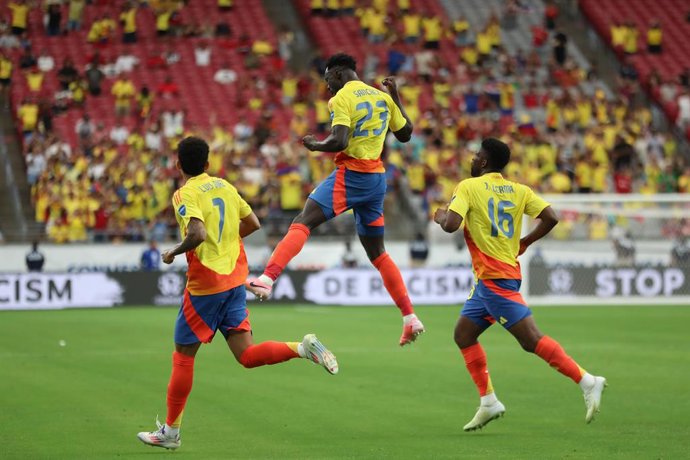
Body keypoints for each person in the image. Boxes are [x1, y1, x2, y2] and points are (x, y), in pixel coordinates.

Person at [137, 137, 338, 450]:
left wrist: (174, 252)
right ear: (207, 164)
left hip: (205, 287)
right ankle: (301, 347)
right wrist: (227, 244)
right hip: (233, 282)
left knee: (183, 357)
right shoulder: (225, 186)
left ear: (177, 165)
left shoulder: (185, 192)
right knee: (245, 355)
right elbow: (253, 223)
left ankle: (171, 433)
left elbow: (198, 233)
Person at [245, 53, 426, 346]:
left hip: (352, 175)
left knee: (302, 221)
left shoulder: (342, 98)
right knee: (378, 253)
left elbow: (339, 140)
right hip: (377, 180)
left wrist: (315, 145)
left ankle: (266, 279)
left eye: (328, 78)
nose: (327, 85)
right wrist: (395, 97)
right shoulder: (381, 97)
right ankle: (409, 317)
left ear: (340, 74)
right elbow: (405, 133)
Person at [433, 138, 606, 431]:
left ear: (484, 162)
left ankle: (587, 381)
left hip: (494, 279)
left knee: (531, 340)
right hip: (497, 276)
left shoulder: (468, 187)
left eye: (476, 155)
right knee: (464, 334)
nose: (473, 159)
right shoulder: (519, 190)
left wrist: (440, 216)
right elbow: (551, 217)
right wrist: (525, 241)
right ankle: (488, 402)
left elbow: (451, 225)